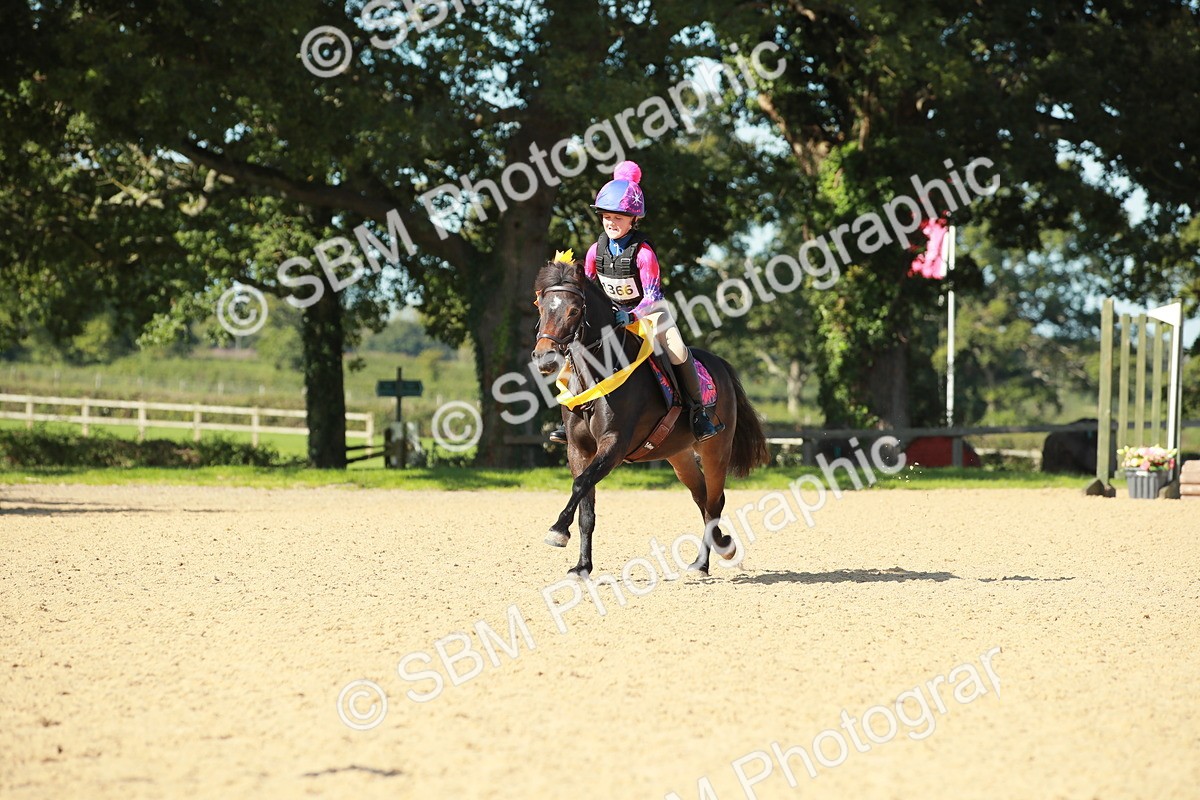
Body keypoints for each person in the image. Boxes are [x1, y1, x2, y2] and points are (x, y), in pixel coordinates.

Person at [550, 160, 724, 445]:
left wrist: (631, 317)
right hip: (612, 318)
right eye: (606, 216)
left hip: (650, 315)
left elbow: (653, 296)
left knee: (678, 351)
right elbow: (589, 288)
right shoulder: (596, 251)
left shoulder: (644, 254)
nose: (611, 222)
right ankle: (570, 416)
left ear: (634, 220)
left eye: (618, 217)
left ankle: (698, 413)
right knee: (574, 350)